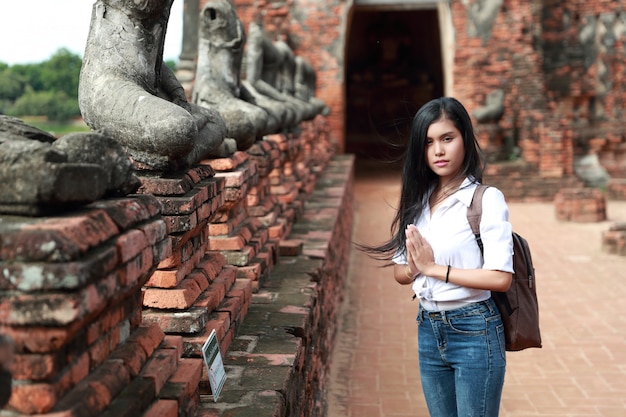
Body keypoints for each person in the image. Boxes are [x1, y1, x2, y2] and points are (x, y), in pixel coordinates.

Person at [359, 97, 514, 417]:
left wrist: (434, 268)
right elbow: (400, 273)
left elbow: (500, 278)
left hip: (474, 328)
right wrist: (416, 267)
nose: (438, 151)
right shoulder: (419, 199)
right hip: (429, 328)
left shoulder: (484, 199)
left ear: (465, 140)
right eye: (428, 142)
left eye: (447, 138)